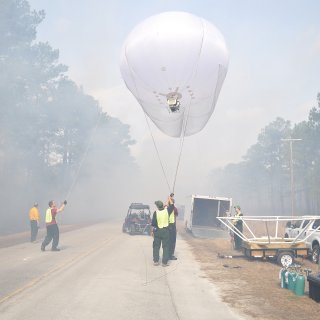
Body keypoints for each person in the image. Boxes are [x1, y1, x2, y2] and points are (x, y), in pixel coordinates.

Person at [151, 195, 174, 267]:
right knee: (166, 246)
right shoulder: (167, 211)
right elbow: (172, 206)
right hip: (166, 231)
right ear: (163, 206)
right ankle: (164, 262)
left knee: (156, 246)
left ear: (157, 206)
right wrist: (169, 199)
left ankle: (156, 261)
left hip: (157, 231)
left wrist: (152, 231)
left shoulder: (156, 213)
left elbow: (153, 224)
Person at [167, 193, 178, 260]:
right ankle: (170, 255)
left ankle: (167, 254)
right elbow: (175, 217)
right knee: (172, 241)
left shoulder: (165, 208)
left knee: (167, 241)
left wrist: (169, 197)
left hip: (166, 226)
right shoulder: (174, 209)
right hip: (172, 226)